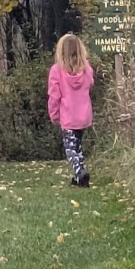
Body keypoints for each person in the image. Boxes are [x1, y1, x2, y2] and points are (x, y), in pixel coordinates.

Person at [47, 32, 95, 185]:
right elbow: (89, 85)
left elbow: (54, 96)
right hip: (84, 115)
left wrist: (54, 115)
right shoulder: (87, 70)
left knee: (70, 149)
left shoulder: (56, 71)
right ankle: (80, 175)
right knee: (77, 145)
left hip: (68, 116)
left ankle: (79, 172)